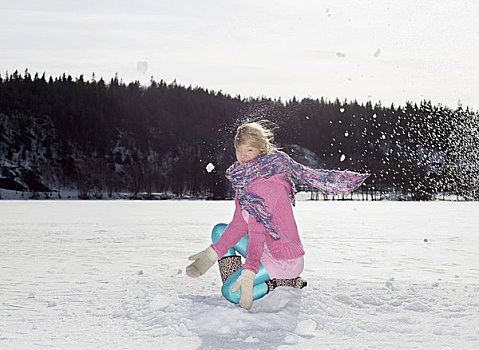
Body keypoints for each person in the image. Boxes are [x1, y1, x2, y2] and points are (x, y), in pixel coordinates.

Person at [186, 121, 369, 310]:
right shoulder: (245, 181)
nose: (242, 156)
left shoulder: (267, 185)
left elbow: (257, 235)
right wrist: (211, 254)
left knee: (230, 292)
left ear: (261, 149)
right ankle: (238, 281)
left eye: (249, 150)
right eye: (239, 150)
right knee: (219, 231)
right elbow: (239, 225)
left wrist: (249, 274)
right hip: (264, 249)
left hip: (282, 259)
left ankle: (279, 283)